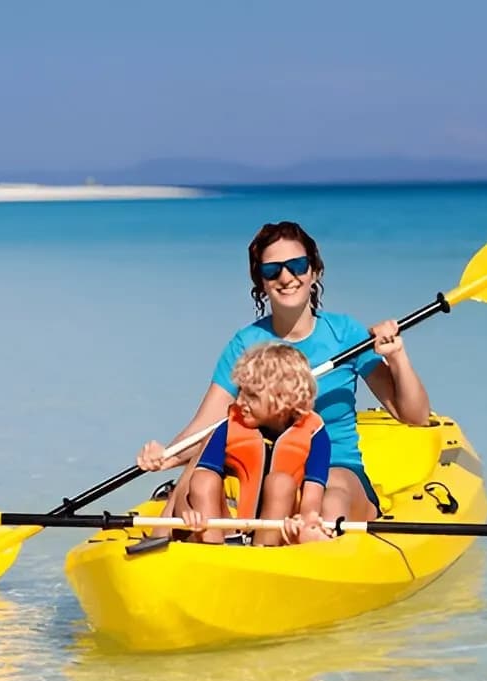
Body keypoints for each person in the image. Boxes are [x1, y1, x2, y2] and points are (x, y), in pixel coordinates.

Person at [137, 219, 431, 527]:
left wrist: (397, 357)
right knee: (196, 484)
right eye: (272, 269)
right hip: (264, 472)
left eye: (297, 265)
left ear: (314, 271)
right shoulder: (246, 344)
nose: (286, 276)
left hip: (335, 467)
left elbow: (415, 415)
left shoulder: (346, 334)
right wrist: (163, 457)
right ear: (260, 281)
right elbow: (207, 425)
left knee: (330, 505)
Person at [174, 341, 331, 546]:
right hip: (229, 529)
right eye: (240, 392)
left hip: (280, 531)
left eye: (251, 396)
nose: (239, 402)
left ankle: (266, 551)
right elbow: (193, 484)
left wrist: (304, 521)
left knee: (280, 482)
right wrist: (188, 514)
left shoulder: (315, 434)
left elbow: (312, 501)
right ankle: (211, 548)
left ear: (283, 399)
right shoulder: (230, 426)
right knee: (203, 478)